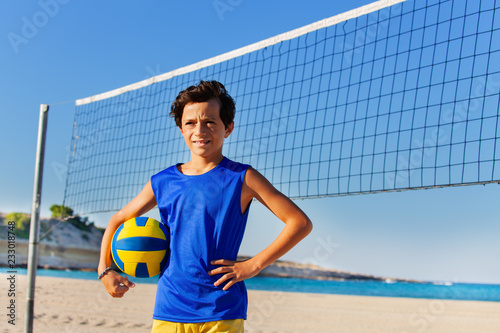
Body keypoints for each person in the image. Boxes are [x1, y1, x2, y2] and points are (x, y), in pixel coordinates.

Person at [97, 80, 312, 333]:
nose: (199, 130)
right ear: (181, 129)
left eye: (210, 121)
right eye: (190, 123)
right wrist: (105, 270)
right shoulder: (163, 181)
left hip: (221, 309)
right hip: (170, 307)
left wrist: (253, 265)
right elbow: (117, 220)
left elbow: (300, 222)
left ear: (228, 128)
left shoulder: (242, 178)